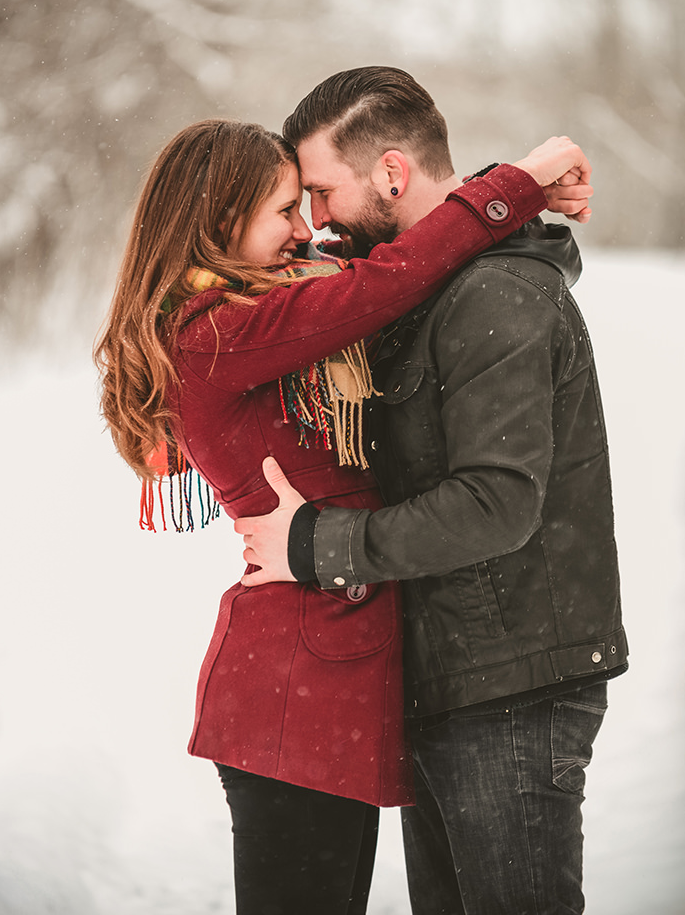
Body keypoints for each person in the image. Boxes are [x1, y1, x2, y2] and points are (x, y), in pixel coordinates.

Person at [95, 115, 593, 915]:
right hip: (296, 684)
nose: (306, 231)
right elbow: (389, 279)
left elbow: (393, 248)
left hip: (325, 680)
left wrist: (509, 196)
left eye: (306, 204)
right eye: (285, 211)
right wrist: (516, 182)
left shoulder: (265, 307)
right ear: (222, 223)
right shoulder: (219, 332)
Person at [234, 68, 627, 915]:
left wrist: (313, 546)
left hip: (512, 690)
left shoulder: (496, 294)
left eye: (322, 192)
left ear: (390, 173)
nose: (316, 221)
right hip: (453, 678)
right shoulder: (419, 285)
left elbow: (496, 502)